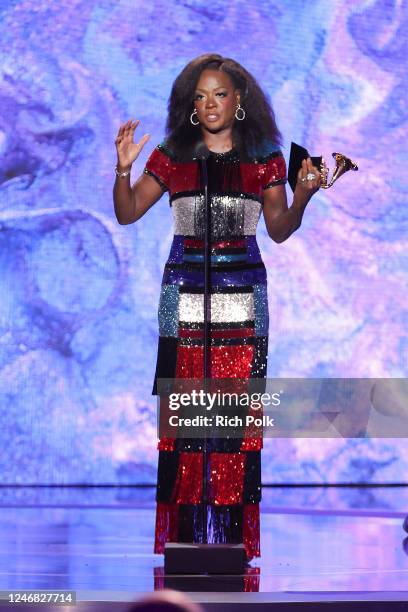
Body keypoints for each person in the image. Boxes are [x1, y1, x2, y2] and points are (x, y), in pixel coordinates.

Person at [113, 53, 321, 563]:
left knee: (231, 418)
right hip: (183, 294)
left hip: (243, 295)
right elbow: (126, 213)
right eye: (201, 96)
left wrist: (305, 197)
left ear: (239, 100)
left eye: (220, 95)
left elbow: (278, 229)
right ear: (191, 103)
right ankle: (186, 533)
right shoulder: (171, 156)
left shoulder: (267, 158)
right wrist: (123, 169)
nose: (210, 104)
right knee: (185, 417)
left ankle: (228, 536)